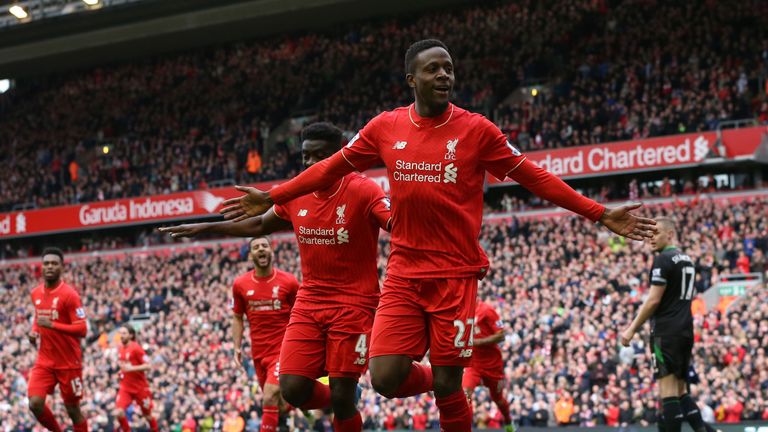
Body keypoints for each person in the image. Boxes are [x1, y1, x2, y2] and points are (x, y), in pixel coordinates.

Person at [220, 39, 656, 431]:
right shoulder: (385, 127)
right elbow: (329, 168)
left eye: (448, 67)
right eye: (434, 69)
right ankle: (436, 378)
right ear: (412, 79)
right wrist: (274, 195)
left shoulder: (477, 131)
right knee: (386, 379)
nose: (444, 75)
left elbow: (534, 176)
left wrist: (599, 214)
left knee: (451, 386)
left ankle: (448, 382)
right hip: (404, 272)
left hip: (455, 274)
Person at [161, 122, 391, 431]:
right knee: (292, 388)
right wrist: (205, 227)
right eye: (306, 156)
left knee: (342, 395)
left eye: (320, 155)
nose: (310, 163)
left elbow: (396, 225)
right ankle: (342, 396)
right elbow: (258, 226)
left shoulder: (364, 190)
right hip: (311, 302)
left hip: (355, 304)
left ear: (340, 155)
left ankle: (344, 397)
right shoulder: (298, 191)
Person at [621, 218, 710, 432]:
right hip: (685, 331)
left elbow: (653, 300)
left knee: (668, 392)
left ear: (670, 234)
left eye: (656, 233)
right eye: (649, 234)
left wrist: (631, 328)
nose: (651, 238)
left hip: (666, 331)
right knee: (681, 391)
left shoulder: (663, 259)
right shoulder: (687, 259)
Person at [232, 236, 299, 432]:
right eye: (256, 247)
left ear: (272, 250)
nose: (261, 249)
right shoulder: (240, 284)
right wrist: (237, 346)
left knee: (269, 395)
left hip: (284, 351)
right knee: (277, 404)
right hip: (258, 353)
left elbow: (302, 314)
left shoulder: (289, 282)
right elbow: (237, 317)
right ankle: (298, 405)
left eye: (264, 245)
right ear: (251, 254)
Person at [27, 247, 89, 432]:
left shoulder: (70, 295)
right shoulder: (35, 293)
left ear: (62, 267)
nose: (50, 267)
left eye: (54, 263)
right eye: (46, 263)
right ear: (41, 267)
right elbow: (40, 318)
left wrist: (52, 325)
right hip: (45, 360)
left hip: (69, 363)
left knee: (73, 410)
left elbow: (82, 329)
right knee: (35, 403)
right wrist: (34, 331)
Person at [462, 298, 515, 432]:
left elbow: (501, 335)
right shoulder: (461, 310)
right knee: (465, 393)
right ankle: (465, 428)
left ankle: (508, 421)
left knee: (498, 398)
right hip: (473, 363)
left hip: (493, 365)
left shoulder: (487, 310)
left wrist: (479, 342)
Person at [115, 324, 159, 432]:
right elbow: (124, 367)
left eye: (124, 333)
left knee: (148, 416)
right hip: (126, 387)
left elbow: (148, 365)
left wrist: (132, 369)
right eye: (120, 333)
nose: (121, 336)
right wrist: (120, 373)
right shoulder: (121, 349)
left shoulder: (136, 348)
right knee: (118, 412)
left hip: (140, 388)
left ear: (131, 335)